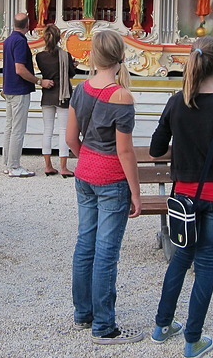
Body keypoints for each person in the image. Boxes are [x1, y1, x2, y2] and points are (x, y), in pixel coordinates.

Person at [149, 36, 213, 358]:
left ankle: (162, 325)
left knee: (180, 259)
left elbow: (155, 149)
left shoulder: (176, 102)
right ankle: (193, 339)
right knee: (206, 263)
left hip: (184, 196)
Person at [65, 29, 143, 346]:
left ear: (93, 56)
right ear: (121, 55)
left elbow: (71, 139)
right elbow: (125, 152)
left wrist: (88, 159)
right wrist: (136, 193)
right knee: (106, 252)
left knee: (85, 244)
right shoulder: (121, 96)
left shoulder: (80, 89)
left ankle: (83, 313)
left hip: (84, 174)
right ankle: (104, 325)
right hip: (111, 179)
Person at [2, 12, 53, 177]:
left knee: (9, 128)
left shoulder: (9, 40)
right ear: (28, 24)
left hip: (9, 88)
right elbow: (20, 68)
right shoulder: (20, 42)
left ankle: (7, 163)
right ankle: (15, 166)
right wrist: (39, 81)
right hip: (19, 89)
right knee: (18, 129)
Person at [35, 24, 77, 177]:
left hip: (47, 94)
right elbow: (70, 74)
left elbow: (46, 71)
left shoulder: (39, 56)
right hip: (63, 95)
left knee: (47, 130)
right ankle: (64, 167)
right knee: (63, 131)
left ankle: (48, 165)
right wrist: (73, 66)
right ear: (59, 39)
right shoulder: (65, 55)